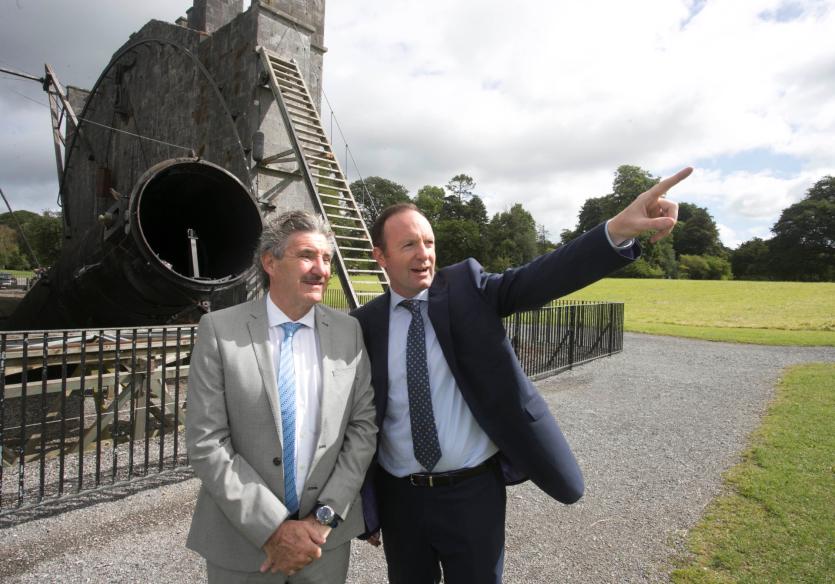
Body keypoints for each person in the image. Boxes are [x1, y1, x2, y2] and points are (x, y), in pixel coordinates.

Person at [352, 168, 693, 583]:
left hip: (472, 495)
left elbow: (541, 277)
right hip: (400, 501)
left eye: (428, 242)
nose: (423, 253)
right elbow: (357, 420)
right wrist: (364, 503)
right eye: (408, 244)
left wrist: (617, 230)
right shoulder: (364, 326)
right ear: (380, 256)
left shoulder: (466, 289)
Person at [186, 210, 377, 583]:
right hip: (242, 545)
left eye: (326, 258)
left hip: (323, 545)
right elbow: (206, 441)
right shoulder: (220, 331)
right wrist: (273, 529)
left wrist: (323, 519)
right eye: (307, 255)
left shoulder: (348, 331)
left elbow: (362, 427)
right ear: (269, 261)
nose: (321, 269)